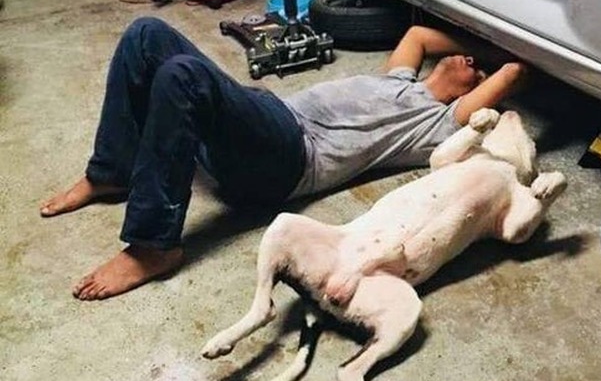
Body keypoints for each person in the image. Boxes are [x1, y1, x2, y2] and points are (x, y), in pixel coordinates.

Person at [40, 17, 526, 301]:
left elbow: (510, 69)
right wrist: (472, 43)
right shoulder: (398, 78)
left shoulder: (435, 124)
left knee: (182, 76)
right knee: (145, 34)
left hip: (290, 157)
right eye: (467, 59)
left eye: (474, 71)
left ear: (471, 98)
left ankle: (154, 246)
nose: (470, 65)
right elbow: (419, 33)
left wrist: (492, 62)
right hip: (268, 118)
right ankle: (111, 172)